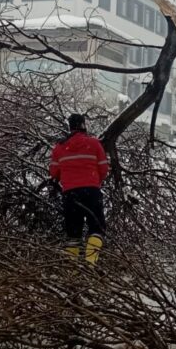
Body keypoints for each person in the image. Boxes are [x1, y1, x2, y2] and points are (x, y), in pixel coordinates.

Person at [49, 113, 109, 265]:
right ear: (83, 125)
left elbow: (54, 173)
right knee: (97, 228)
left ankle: (73, 270)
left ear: (69, 127)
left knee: (73, 234)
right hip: (92, 191)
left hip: (70, 194)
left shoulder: (60, 148)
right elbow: (103, 169)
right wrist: (95, 181)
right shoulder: (94, 144)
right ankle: (90, 262)